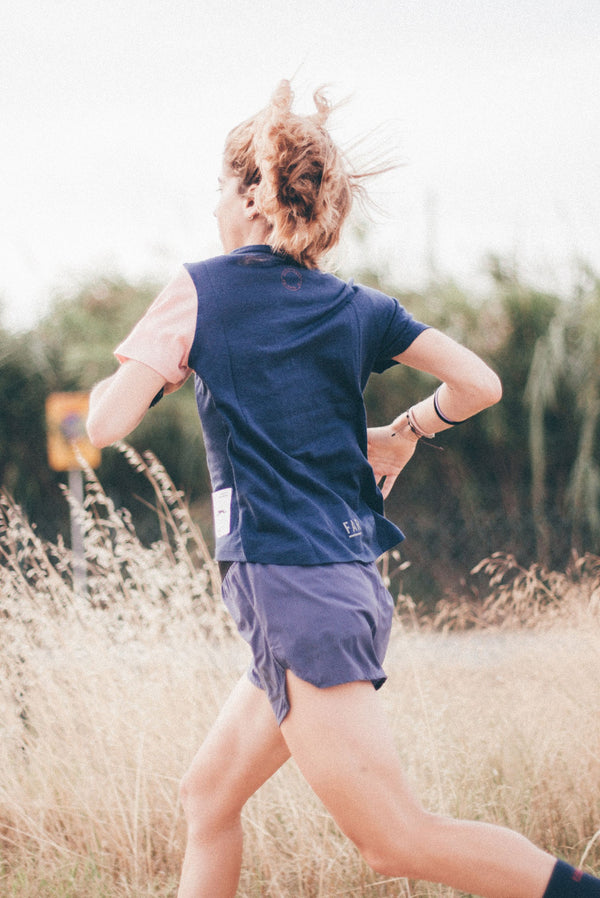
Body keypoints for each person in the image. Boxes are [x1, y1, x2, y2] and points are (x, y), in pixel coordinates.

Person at [87, 81, 599, 898]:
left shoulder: (201, 289)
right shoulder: (357, 306)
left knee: (397, 842)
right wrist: (405, 431)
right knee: (207, 796)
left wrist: (158, 361)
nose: (216, 202)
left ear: (254, 197)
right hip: (329, 584)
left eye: (224, 185)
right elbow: (480, 384)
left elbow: (104, 422)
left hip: (295, 591)